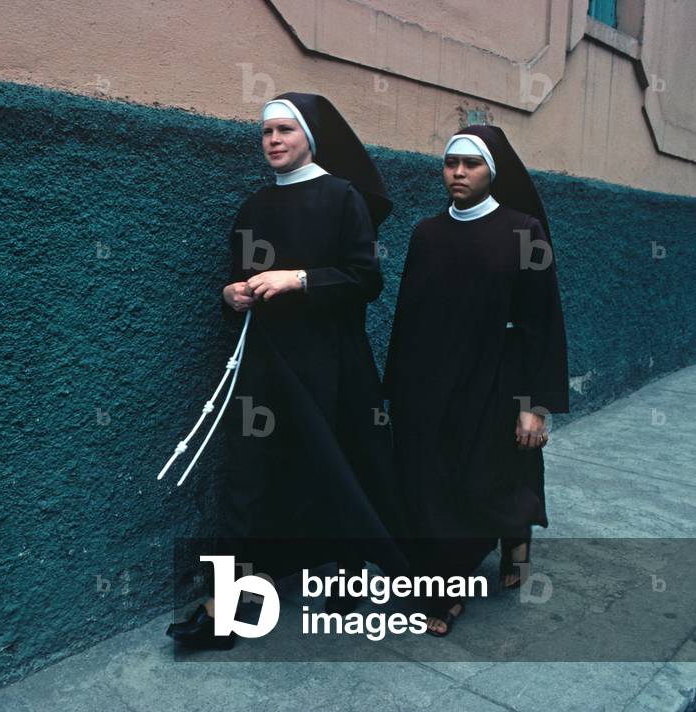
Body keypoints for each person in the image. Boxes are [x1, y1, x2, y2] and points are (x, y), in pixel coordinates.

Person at [167, 93, 408, 650]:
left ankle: (345, 577)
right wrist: (232, 294)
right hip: (265, 362)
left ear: (309, 139)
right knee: (249, 479)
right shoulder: (253, 207)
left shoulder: (340, 198)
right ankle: (225, 606)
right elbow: (236, 278)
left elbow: (365, 281)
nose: (273, 140)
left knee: (335, 465)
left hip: (330, 362)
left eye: (284, 131)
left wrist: (297, 279)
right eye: (266, 132)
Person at [383, 125, 569, 636]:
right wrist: (393, 388)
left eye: (472, 164)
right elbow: (409, 314)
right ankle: (456, 567)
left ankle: (456, 584)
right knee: (430, 479)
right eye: (451, 164)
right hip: (430, 378)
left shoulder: (523, 230)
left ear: (493, 171)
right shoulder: (426, 232)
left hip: (496, 377)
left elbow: (542, 319)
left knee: (485, 475)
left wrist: (535, 403)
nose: (459, 173)